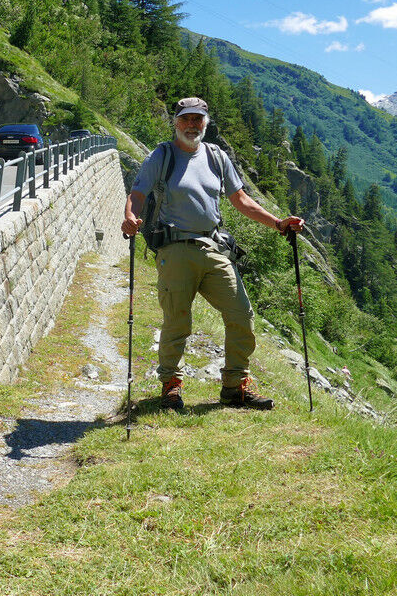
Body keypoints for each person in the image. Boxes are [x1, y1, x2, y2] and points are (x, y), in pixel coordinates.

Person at [121, 97, 304, 410]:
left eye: (198, 120)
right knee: (177, 320)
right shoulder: (162, 156)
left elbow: (241, 200)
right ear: (175, 122)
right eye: (186, 119)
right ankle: (171, 387)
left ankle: (235, 388)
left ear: (205, 123)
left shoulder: (217, 157)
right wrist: (130, 216)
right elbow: (137, 194)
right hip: (175, 247)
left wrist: (278, 223)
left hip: (214, 246)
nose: (192, 125)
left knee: (241, 314)